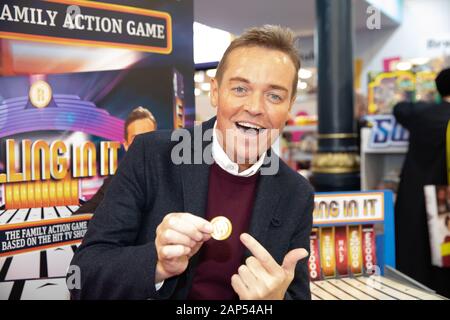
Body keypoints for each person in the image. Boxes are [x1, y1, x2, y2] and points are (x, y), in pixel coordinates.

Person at [68, 25, 314, 300]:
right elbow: (83, 276)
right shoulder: (152, 155)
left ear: (289, 106)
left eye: (274, 96)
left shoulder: (296, 193)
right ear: (215, 92)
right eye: (241, 88)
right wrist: (157, 264)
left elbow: (297, 293)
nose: (255, 107)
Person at [393, 67, 450, 297]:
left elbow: (399, 108)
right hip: (444, 199)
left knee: (416, 254)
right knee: (444, 258)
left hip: (415, 195)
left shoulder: (422, 113)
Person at [74, 106, 157, 214]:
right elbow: (80, 217)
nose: (143, 144)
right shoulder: (115, 182)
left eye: (149, 136)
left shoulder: (174, 175)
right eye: (136, 139)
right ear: (126, 145)